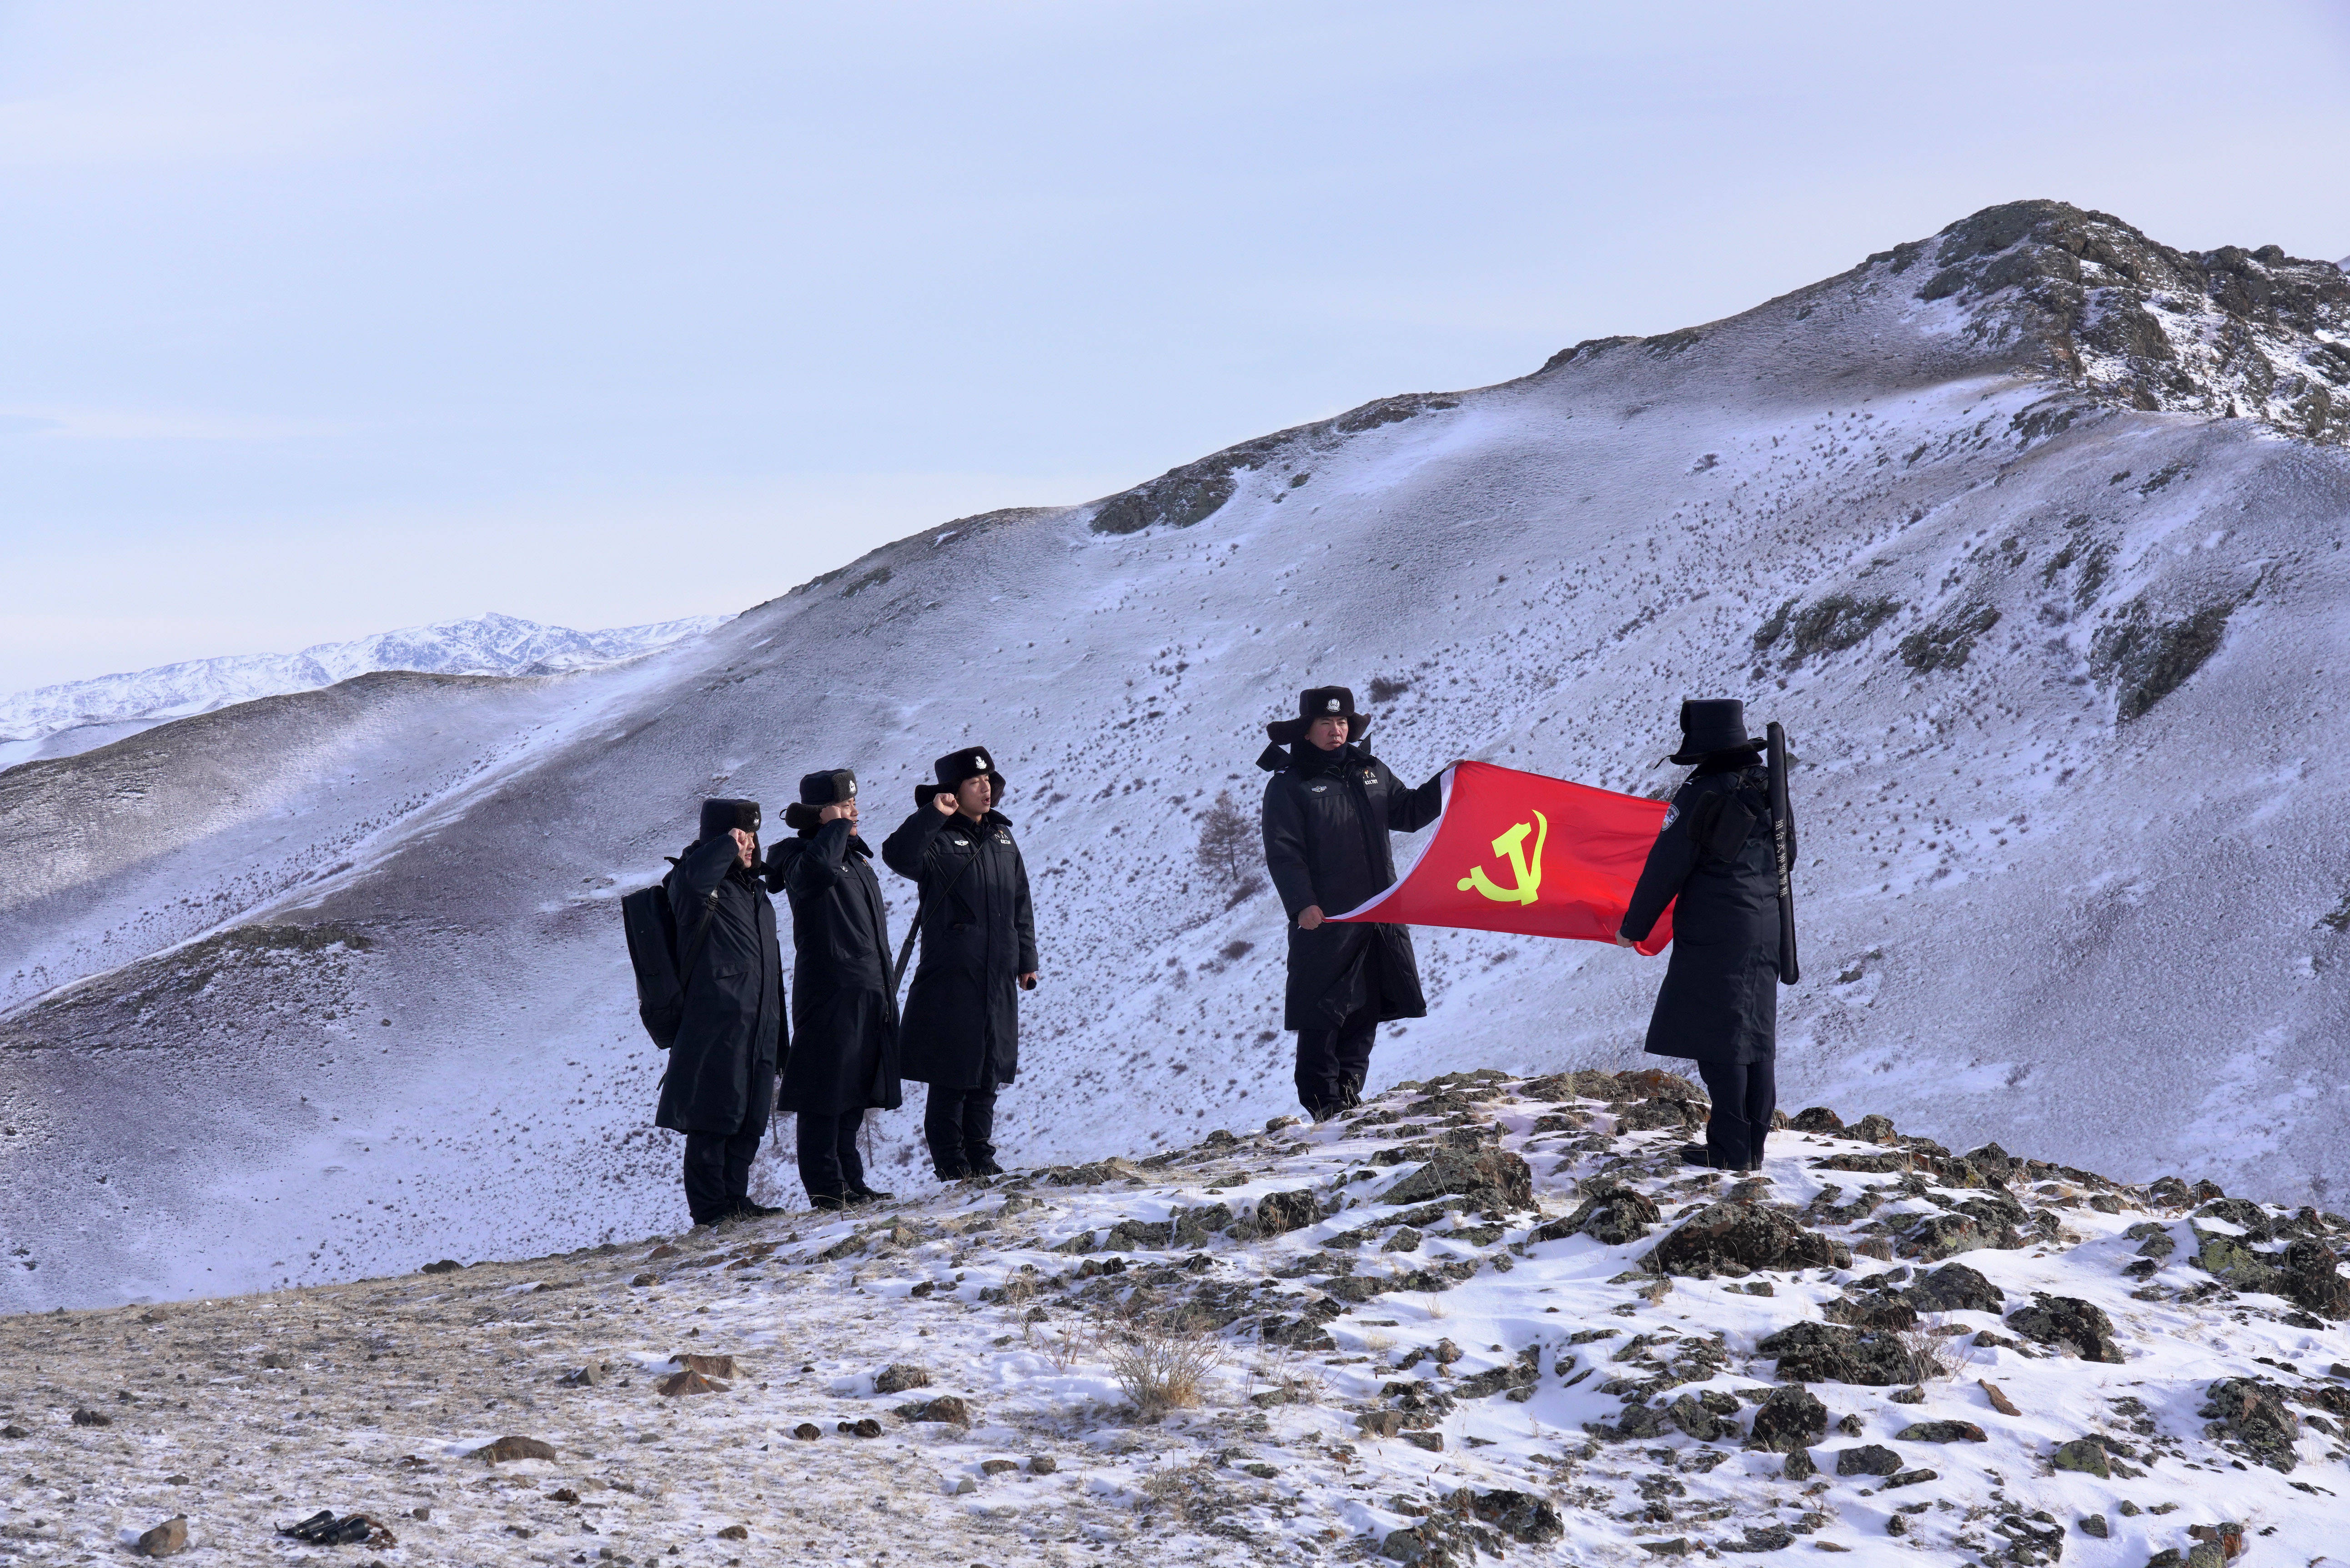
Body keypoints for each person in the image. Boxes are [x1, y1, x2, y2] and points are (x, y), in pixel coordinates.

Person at [1615, 699, 1794, 1171]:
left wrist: (1632, 926)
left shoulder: (1701, 792)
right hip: (1768, 926)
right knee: (1755, 1037)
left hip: (1716, 930)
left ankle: (1730, 1150)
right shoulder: (1768, 784)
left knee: (1721, 1039)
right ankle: (1750, 1146)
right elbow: (1787, 856)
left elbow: (1666, 866)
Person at [1258, 686, 1443, 1121]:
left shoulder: (1372, 771)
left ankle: (1348, 1096)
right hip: (1326, 918)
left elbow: (1410, 813)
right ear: (1306, 731)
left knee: (1369, 1004)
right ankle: (1323, 1104)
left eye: (1342, 723)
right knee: (1324, 1008)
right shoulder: (1290, 785)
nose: (1336, 731)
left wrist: (1448, 780)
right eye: (1326, 724)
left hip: (1380, 912)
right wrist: (1303, 904)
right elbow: (1284, 851)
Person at [881, 746, 1038, 1181]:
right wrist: (933, 814)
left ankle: (981, 1156)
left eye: (989, 781)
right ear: (953, 791)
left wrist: (1027, 959)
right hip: (953, 975)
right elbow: (898, 855)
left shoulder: (1004, 839)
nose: (986, 788)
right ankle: (952, 1164)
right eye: (974, 782)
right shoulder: (936, 839)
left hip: (998, 974)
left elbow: (1020, 902)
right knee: (953, 1073)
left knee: (988, 1069)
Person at [768, 769, 902, 1211]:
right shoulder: (798, 858)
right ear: (821, 813)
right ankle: (827, 1189)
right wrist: (833, 827)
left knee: (855, 1092)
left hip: (866, 994)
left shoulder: (856, 860)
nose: (855, 812)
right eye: (845, 806)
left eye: (853, 805)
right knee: (824, 1095)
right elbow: (813, 876)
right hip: (827, 994)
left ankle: (851, 1183)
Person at [655, 798, 788, 1225]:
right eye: (740, 836)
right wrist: (724, 848)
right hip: (717, 1025)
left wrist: (779, 1035)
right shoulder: (695, 884)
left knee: (748, 1120)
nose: (750, 845)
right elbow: (690, 886)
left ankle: (736, 1200)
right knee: (713, 1119)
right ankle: (711, 1211)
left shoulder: (755, 893)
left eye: (753, 835)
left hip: (759, 1025)